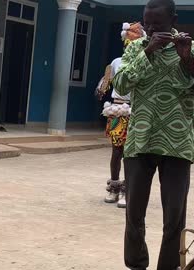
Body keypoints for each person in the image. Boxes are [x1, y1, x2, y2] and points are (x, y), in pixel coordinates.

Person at [112, 0, 194, 269]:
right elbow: (121, 83)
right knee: (134, 213)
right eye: (147, 23)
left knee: (174, 217)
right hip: (140, 140)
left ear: (173, 19)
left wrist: (187, 60)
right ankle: (136, 264)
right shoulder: (136, 47)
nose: (150, 28)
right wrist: (148, 50)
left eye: (157, 24)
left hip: (178, 143)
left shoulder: (190, 48)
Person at [96, 22, 146, 208]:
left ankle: (128, 190)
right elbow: (103, 87)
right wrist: (102, 87)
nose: (131, 44)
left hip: (137, 111)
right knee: (117, 152)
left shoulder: (145, 61)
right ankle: (114, 187)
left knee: (131, 154)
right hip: (117, 111)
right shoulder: (116, 63)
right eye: (129, 40)